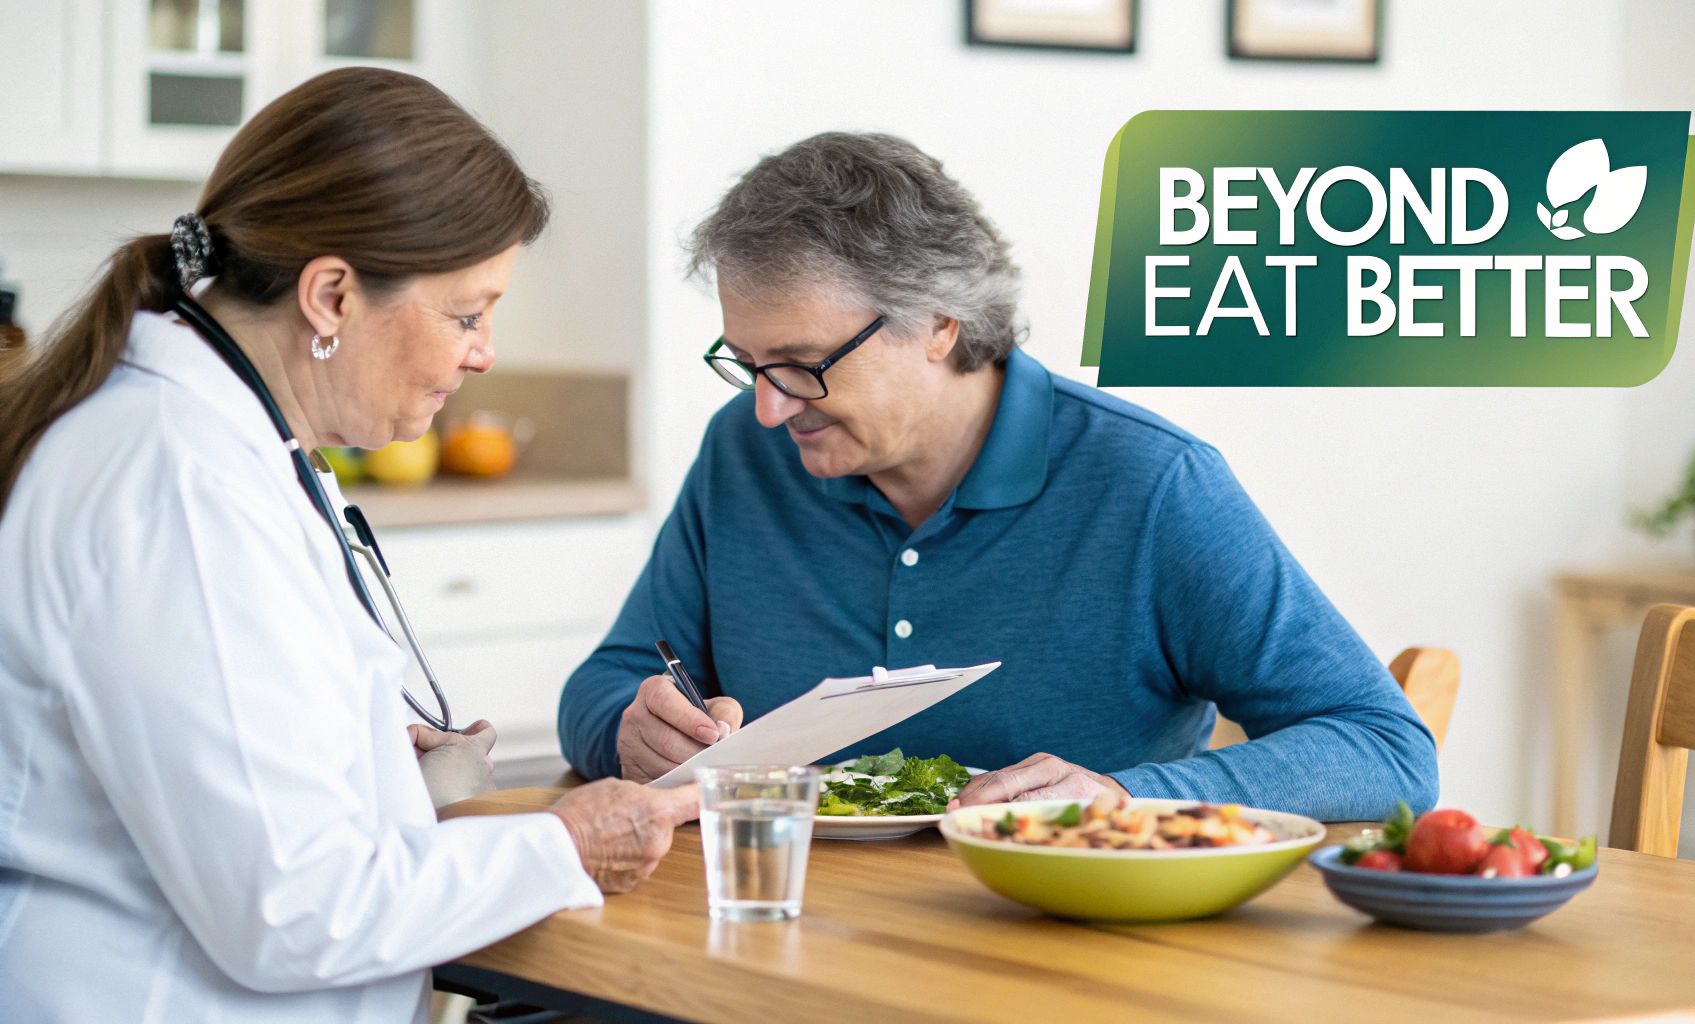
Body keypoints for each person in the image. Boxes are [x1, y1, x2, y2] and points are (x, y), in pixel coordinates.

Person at [0, 68, 695, 1023]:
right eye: (466, 312)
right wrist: (563, 846)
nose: (485, 349)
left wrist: (365, 749)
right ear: (331, 295)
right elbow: (291, 911)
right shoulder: (179, 482)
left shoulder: (235, 445)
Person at [558, 132, 1438, 820]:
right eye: (746, 362)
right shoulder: (743, 456)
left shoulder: (1151, 485)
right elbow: (614, 678)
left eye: (801, 364)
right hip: (775, 938)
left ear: (940, 324)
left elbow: (1386, 748)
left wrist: (1128, 799)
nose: (769, 409)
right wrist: (630, 731)